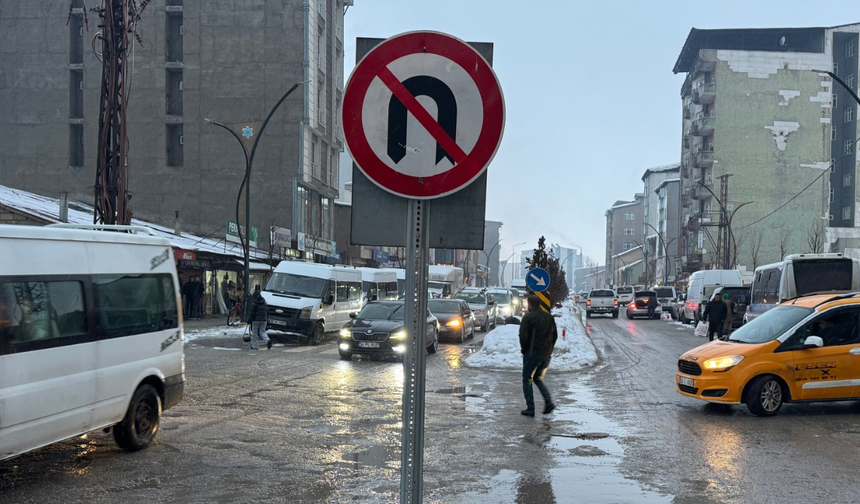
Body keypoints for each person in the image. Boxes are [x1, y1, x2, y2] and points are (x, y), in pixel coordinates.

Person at [518, 295, 558, 417]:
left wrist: (524, 350)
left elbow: (523, 336)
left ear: (530, 304)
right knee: (538, 378)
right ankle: (548, 402)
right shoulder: (548, 317)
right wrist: (549, 349)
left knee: (527, 379)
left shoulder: (528, 317)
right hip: (546, 353)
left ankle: (530, 408)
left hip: (532, 353)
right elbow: (555, 335)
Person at [247, 284, 272, 350]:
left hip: (256, 320)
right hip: (264, 319)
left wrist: (249, 320)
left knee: (255, 333)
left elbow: (252, 312)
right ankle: (268, 340)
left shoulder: (254, 302)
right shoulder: (264, 302)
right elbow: (267, 310)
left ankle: (255, 346)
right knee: (262, 331)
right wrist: (267, 318)